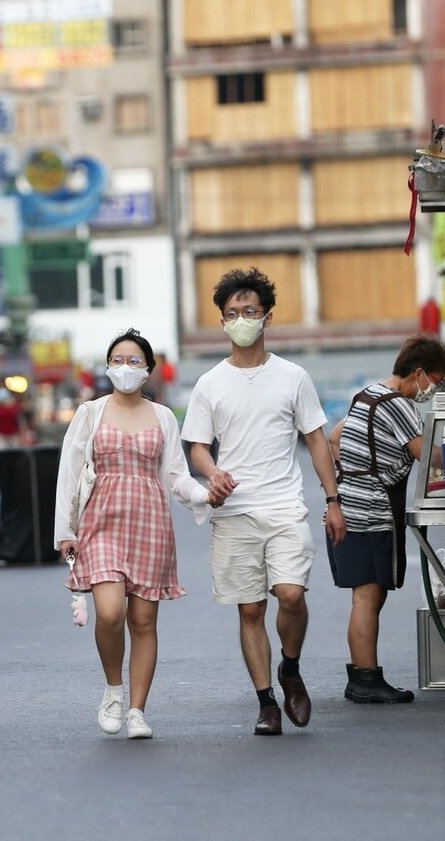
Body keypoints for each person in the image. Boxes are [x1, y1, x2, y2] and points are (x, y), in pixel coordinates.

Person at [183, 268, 347, 737]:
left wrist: (333, 501)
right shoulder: (209, 383)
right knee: (250, 609)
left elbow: (316, 441)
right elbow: (197, 445)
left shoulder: (293, 377)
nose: (240, 320)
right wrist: (213, 475)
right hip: (233, 513)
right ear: (222, 322)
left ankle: (290, 667)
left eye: (248, 312)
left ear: (266, 317)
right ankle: (265, 701)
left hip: (283, 505)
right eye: (231, 313)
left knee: (291, 595)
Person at [55, 329, 223, 740]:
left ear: (147, 369)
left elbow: (176, 477)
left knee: (144, 621)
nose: (125, 367)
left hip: (150, 523)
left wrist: (206, 495)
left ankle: (136, 710)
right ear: (107, 366)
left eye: (133, 360)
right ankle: (114, 690)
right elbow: (69, 473)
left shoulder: (163, 416)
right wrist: (65, 530)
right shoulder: (90, 413)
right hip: (101, 522)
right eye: (117, 359)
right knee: (110, 612)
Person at [328, 335, 445, 703]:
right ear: (418, 373)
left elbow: (336, 439)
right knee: (368, 596)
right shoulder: (399, 405)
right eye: (436, 380)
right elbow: (428, 455)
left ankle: (363, 678)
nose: (433, 389)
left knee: (368, 595)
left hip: (350, 505)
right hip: (369, 512)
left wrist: (353, 474)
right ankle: (366, 681)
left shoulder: (365, 395)